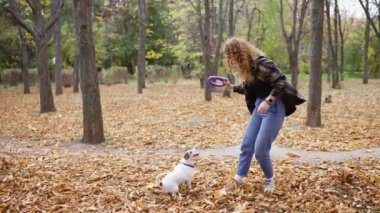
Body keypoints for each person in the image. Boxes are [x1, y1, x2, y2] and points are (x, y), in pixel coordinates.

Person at [221, 37, 306, 193]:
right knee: (247, 145)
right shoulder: (248, 69)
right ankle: (238, 179)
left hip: (273, 108)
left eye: (233, 56)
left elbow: (281, 82)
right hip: (259, 108)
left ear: (240, 53)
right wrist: (231, 87)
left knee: (260, 150)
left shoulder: (262, 64)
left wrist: (268, 100)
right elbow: (250, 87)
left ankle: (269, 180)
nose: (231, 60)